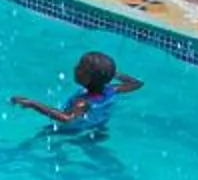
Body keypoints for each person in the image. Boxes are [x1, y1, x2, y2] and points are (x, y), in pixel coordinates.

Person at [13, 52, 142, 139]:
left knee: (43, 134)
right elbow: (137, 83)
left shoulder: (82, 102)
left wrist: (33, 104)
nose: (75, 67)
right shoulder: (112, 89)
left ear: (87, 79)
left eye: (80, 67)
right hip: (100, 126)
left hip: (77, 130)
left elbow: (66, 118)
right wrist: (111, 74)